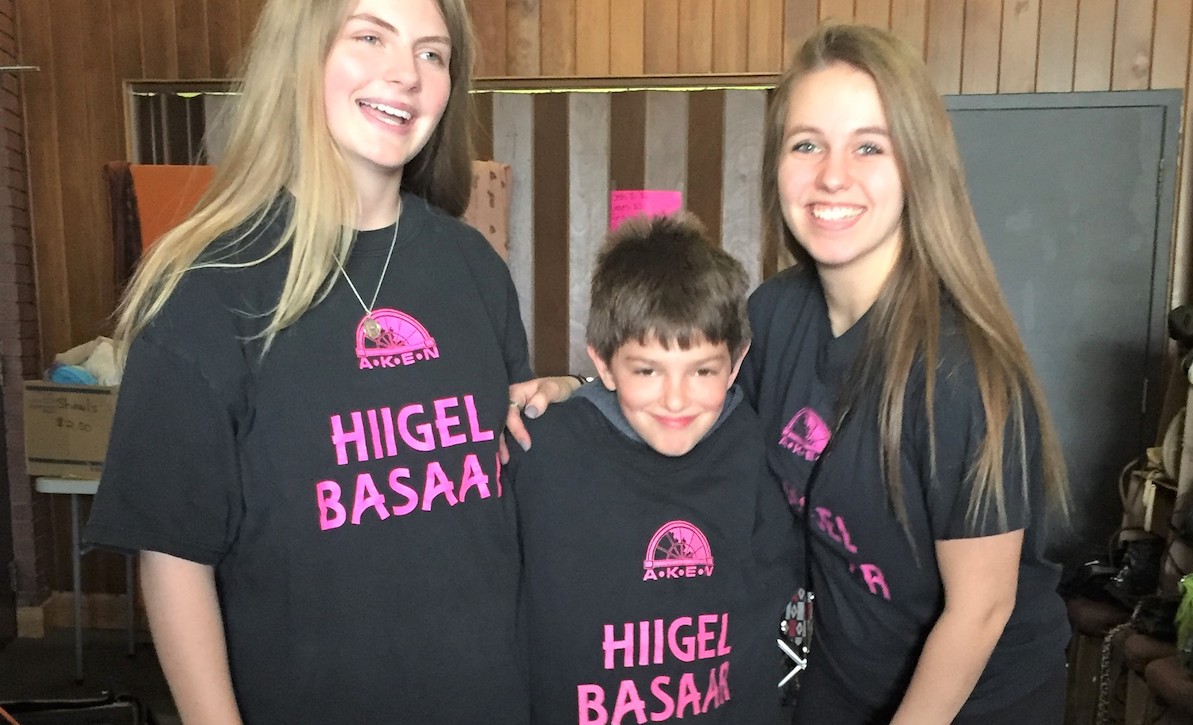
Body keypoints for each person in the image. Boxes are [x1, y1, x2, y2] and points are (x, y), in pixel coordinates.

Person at [83, 0, 538, 722]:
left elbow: (517, 472)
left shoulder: (475, 269)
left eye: (432, 54)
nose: (406, 75)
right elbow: (174, 559)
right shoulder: (205, 291)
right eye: (369, 37)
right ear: (301, 56)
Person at [742, 23, 1071, 724]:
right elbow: (697, 417)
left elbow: (980, 609)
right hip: (843, 673)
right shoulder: (773, 317)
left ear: (917, 166)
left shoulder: (959, 373)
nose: (833, 174)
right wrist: (578, 397)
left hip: (978, 697)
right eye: (807, 144)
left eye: (869, 146)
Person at [507, 213, 801, 724]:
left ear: (735, 364)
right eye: (647, 370)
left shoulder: (752, 446)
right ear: (602, 363)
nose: (675, 399)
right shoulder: (539, 449)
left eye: (703, 371)